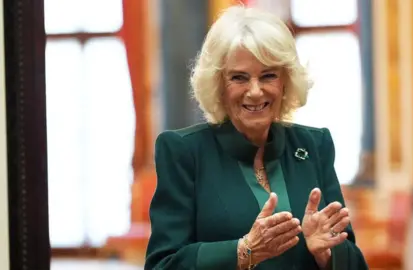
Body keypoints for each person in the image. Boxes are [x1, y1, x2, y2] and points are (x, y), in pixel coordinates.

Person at [145, 5, 368, 270]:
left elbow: (354, 261)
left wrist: (327, 254)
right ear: (218, 85)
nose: (255, 91)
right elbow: (163, 265)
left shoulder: (313, 145)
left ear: (286, 81)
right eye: (239, 78)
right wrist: (243, 251)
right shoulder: (183, 151)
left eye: (268, 76)